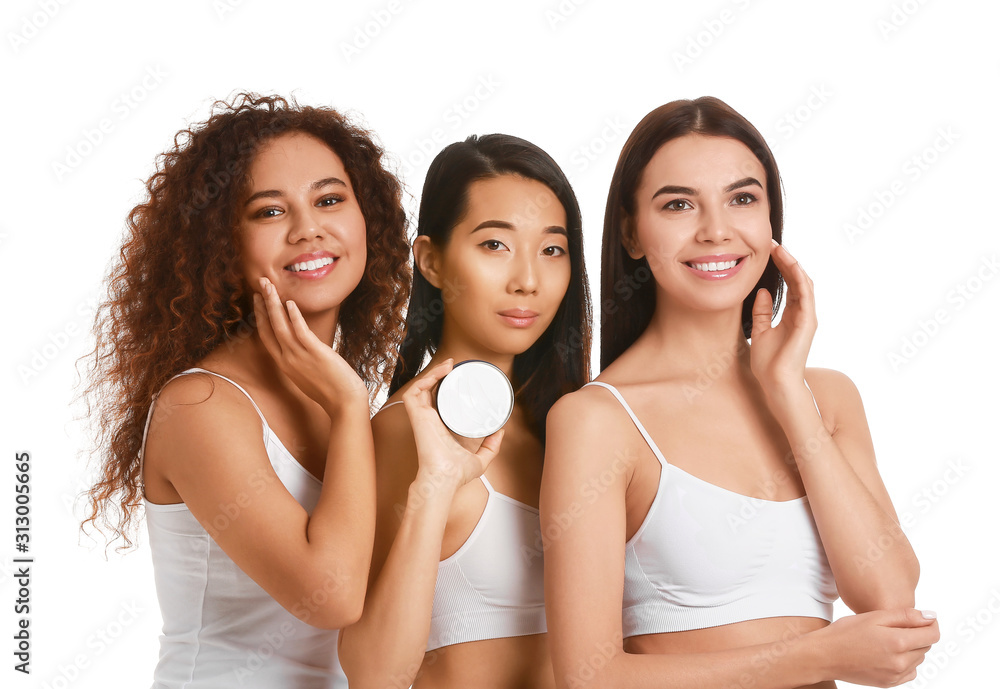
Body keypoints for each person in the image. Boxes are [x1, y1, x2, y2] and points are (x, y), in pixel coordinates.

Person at [541, 97, 939, 688]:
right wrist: (818, 657)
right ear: (630, 231)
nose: (716, 230)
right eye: (678, 204)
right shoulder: (597, 421)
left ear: (771, 220)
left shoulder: (825, 398)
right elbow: (588, 676)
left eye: (742, 198)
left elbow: (889, 596)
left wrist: (786, 394)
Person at [81, 93, 410, 688]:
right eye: (269, 212)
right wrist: (346, 407)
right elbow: (331, 598)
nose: (310, 229)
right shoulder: (200, 406)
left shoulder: (345, 394)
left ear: (370, 221)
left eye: (330, 200)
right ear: (223, 246)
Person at [339, 134, 592, 688]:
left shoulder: (573, 425)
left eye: (552, 250)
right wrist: (434, 486)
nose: (527, 280)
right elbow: (372, 675)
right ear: (430, 261)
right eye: (495, 245)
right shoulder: (404, 433)